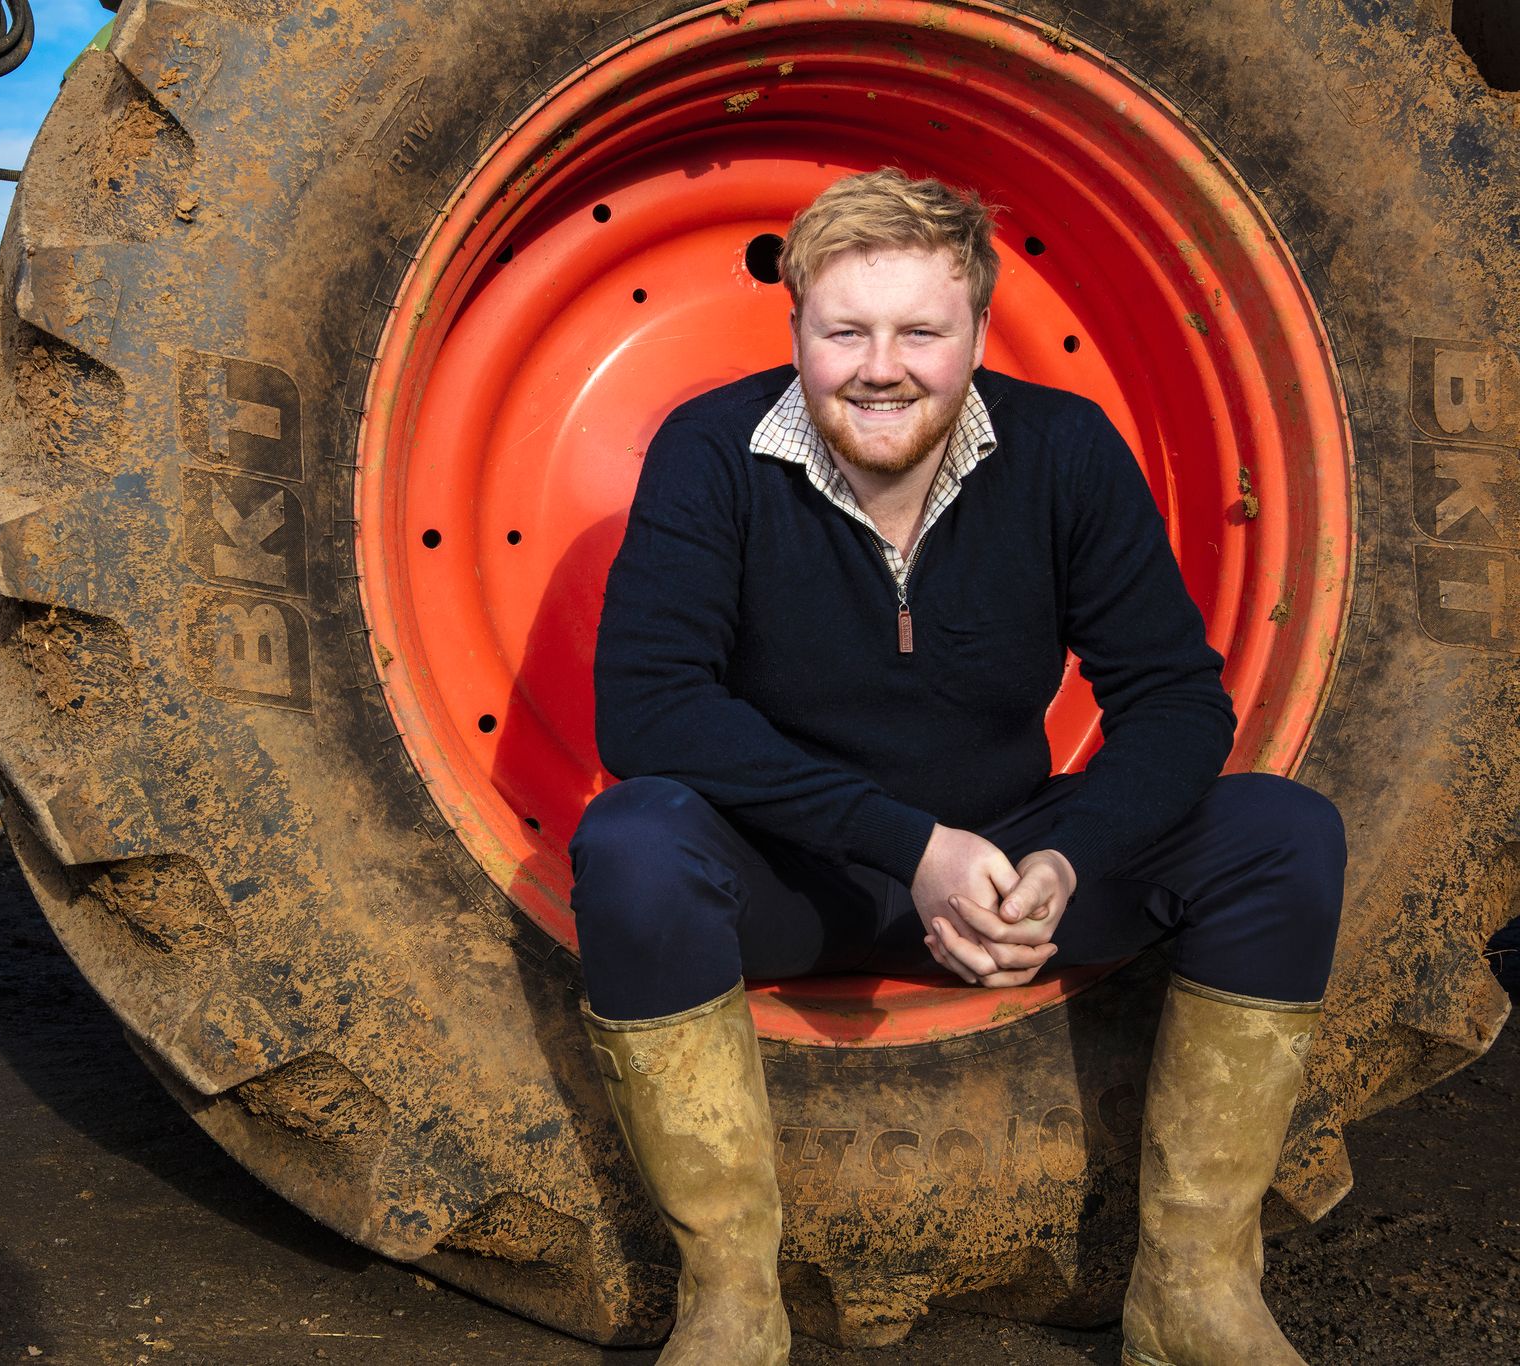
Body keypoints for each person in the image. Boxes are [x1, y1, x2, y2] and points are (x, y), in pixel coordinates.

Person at [570, 168, 1346, 1366]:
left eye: (920, 331)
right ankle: (730, 1305)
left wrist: (1061, 854)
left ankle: (1192, 1297)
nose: (881, 366)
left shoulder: (1063, 451)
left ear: (977, 332)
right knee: (632, 842)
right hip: (802, 879)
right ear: (797, 333)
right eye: (845, 332)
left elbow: (1174, 701)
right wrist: (906, 846)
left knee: (1278, 832)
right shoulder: (710, 450)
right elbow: (648, 708)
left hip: (1014, 870)